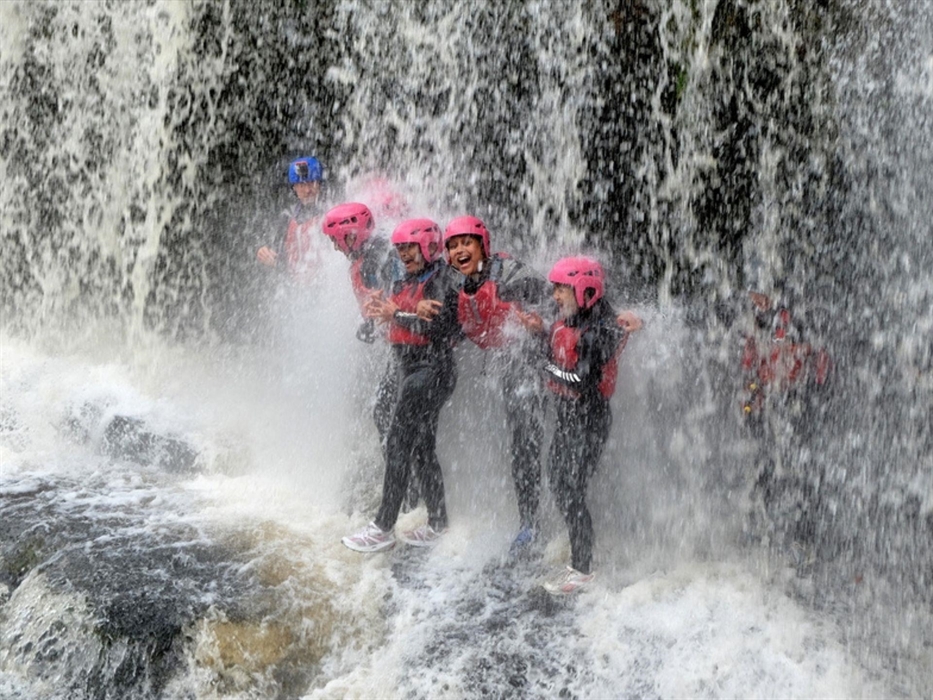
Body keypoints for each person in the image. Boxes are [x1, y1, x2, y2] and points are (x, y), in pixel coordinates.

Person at [341, 219, 463, 552]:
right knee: (421, 447)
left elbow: (438, 328)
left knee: (398, 442)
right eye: (401, 249)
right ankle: (438, 522)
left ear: (429, 247)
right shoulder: (407, 280)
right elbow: (396, 313)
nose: (404, 254)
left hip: (431, 370)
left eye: (410, 248)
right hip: (411, 369)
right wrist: (378, 315)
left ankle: (382, 528)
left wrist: (397, 315)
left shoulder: (442, 279)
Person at [442, 215, 550, 555]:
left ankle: (531, 524)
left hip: (537, 360)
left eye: (467, 243)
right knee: (520, 443)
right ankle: (529, 520)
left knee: (525, 442)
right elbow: (458, 324)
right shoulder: (458, 285)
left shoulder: (513, 277)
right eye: (453, 246)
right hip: (508, 364)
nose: (460, 250)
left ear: (483, 246)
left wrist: (542, 327)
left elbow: (559, 305)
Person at [540, 256, 635, 595]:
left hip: (589, 419)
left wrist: (545, 368)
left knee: (571, 488)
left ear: (585, 290)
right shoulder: (572, 318)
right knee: (559, 481)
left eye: (561, 289)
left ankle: (582, 569)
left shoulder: (600, 332)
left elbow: (580, 380)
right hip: (568, 418)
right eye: (555, 288)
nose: (555, 296)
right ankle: (580, 558)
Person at [740, 290, 832, 547]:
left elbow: (815, 356)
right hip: (768, 404)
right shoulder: (754, 325)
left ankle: (804, 536)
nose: (756, 301)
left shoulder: (793, 319)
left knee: (801, 468)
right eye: (753, 297)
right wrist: (752, 398)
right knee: (764, 465)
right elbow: (750, 368)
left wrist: (811, 390)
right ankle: (761, 529)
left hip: (797, 401)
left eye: (759, 297)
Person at [256, 156, 326, 284]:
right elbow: (276, 255)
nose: (308, 190)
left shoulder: (332, 212)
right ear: (294, 187)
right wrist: (265, 254)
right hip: (297, 285)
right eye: (302, 185)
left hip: (325, 282)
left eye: (312, 183)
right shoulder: (287, 218)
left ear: (320, 184)